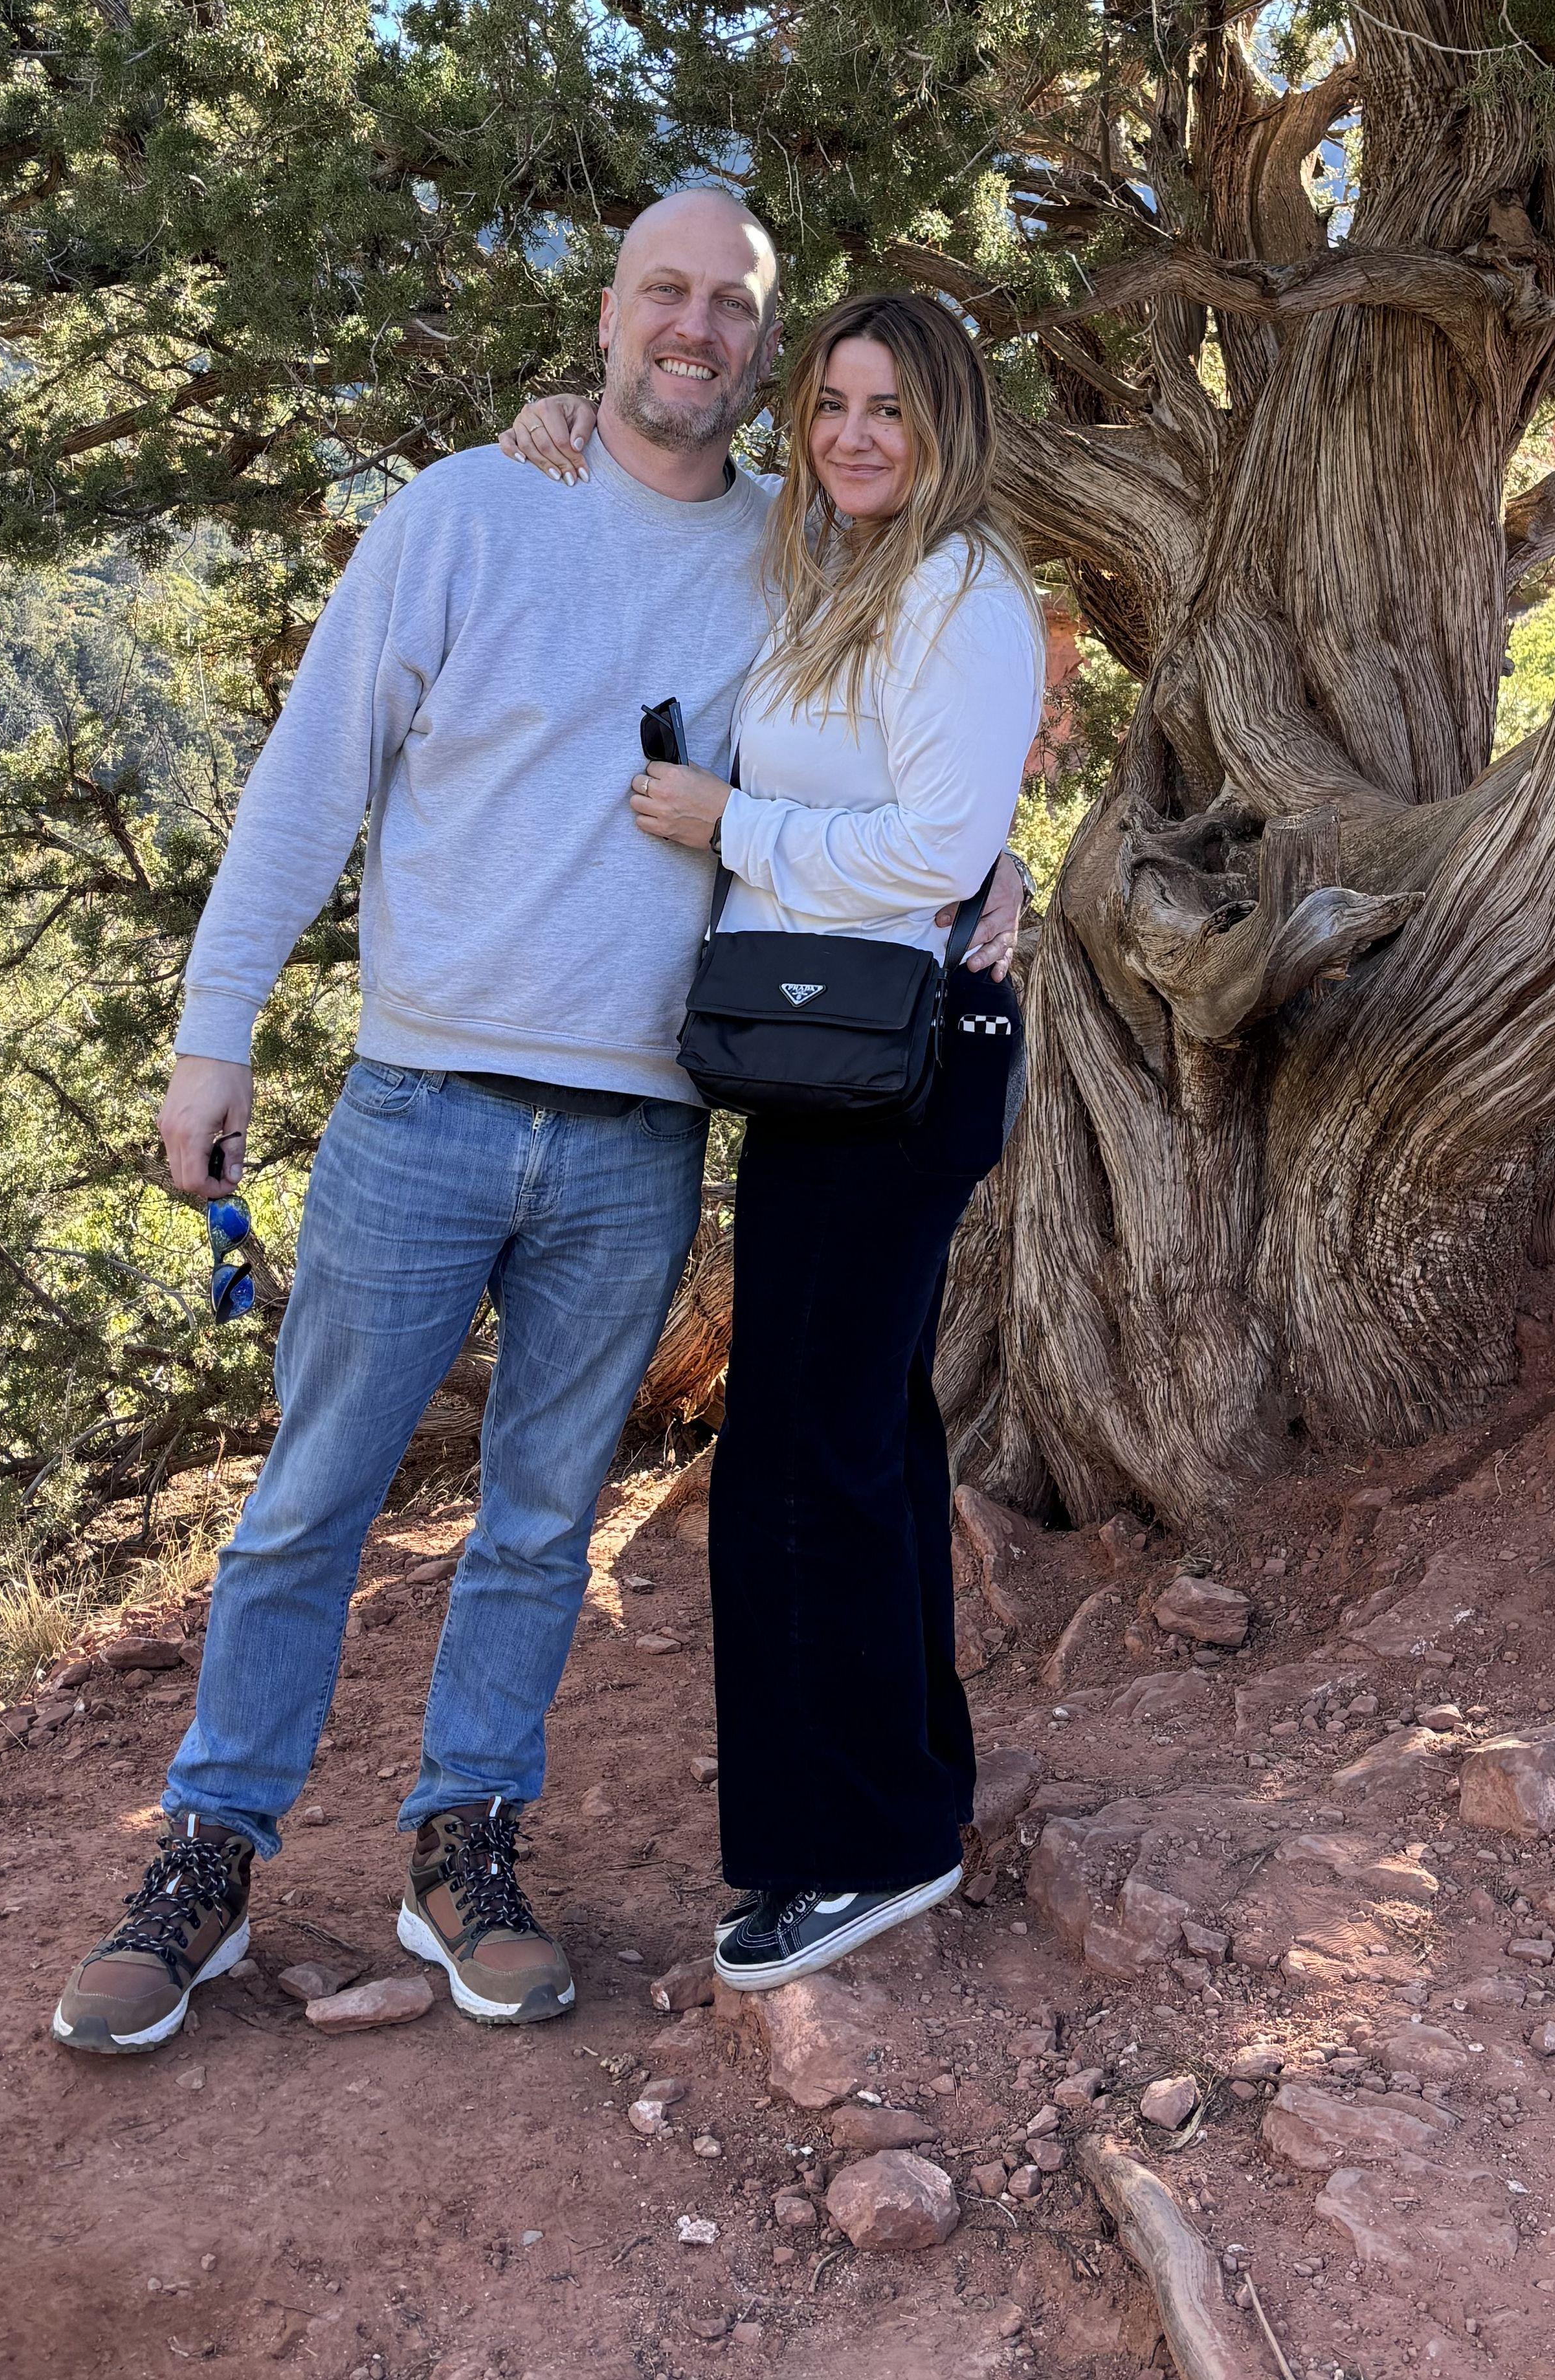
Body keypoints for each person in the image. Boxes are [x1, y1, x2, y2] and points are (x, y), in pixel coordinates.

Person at [50, 190, 1022, 2054]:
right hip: (422, 1095)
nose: (697, 331)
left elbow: (920, 745)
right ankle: (203, 1863)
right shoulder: (470, 509)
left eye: (732, 307)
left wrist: (992, 877)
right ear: (602, 318)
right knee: (309, 1503)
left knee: (538, 1523)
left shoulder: (793, 556)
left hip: (643, 1128)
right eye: (666, 292)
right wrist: (212, 1031)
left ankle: (467, 1849)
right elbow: (308, 774)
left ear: (758, 345)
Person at [503, 290, 1045, 1990]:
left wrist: (735, 822)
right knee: (859, 1433)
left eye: (890, 406)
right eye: (829, 406)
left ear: (947, 421)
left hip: (899, 1057)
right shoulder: (840, 584)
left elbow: (942, 837)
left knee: (799, 1452)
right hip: (836, 1057)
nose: (853, 434)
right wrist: (563, 433)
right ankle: (907, 1804)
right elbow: (918, 823)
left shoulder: (960, 588)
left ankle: (857, 1850)